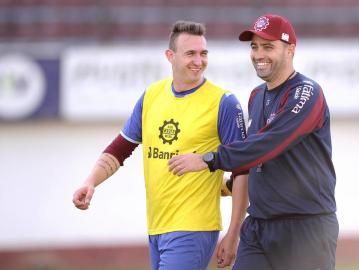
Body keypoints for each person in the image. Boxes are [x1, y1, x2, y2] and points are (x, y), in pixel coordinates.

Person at [72, 21, 248, 270]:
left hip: (194, 228)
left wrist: (233, 233)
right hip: (156, 227)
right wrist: (90, 182)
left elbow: (243, 169)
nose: (199, 60)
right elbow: (121, 148)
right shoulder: (152, 96)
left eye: (203, 53)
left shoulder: (224, 103)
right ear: (170, 56)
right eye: (190, 53)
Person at [168, 14, 339, 270]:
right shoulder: (256, 96)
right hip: (258, 226)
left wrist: (209, 159)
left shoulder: (307, 92)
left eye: (268, 47)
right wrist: (232, 221)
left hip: (305, 228)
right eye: (254, 46)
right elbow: (253, 163)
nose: (259, 54)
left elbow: (269, 144)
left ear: (290, 49)